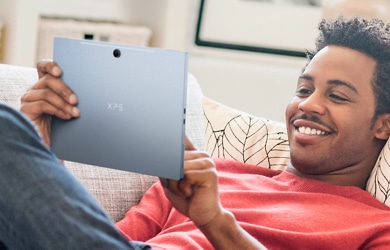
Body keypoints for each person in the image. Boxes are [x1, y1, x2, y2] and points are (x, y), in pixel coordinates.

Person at [1, 16, 390, 249]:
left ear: (383, 123)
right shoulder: (201, 174)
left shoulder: (376, 228)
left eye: (337, 96)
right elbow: (101, 240)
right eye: (304, 90)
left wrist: (216, 222)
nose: (308, 105)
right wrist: (40, 154)